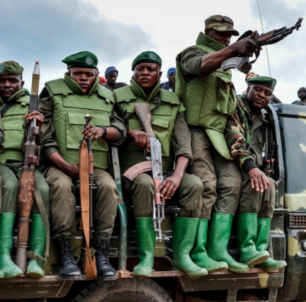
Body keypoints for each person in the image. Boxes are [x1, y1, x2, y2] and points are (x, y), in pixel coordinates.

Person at [176, 15, 259, 273]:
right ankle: (196, 252)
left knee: (233, 183)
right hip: (194, 130)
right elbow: (201, 66)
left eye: (230, 35)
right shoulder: (192, 52)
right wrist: (234, 49)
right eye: (222, 33)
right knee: (207, 185)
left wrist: (249, 49)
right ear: (208, 31)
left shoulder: (225, 61)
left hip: (219, 134)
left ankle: (217, 249)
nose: (226, 38)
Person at [114, 51, 207, 278]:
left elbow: (184, 144)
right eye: (140, 69)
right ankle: (147, 256)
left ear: (160, 73)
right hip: (132, 172)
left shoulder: (174, 102)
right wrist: (130, 133)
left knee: (194, 184)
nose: (145, 73)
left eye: (151, 69)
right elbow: (110, 129)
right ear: (133, 72)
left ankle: (182, 255)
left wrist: (176, 176)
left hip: (164, 169)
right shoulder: (118, 97)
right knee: (145, 184)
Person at [39, 51, 126, 280]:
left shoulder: (108, 97)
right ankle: (65, 254)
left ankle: (101, 253)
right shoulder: (53, 92)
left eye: (89, 74)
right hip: (60, 165)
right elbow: (44, 138)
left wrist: (103, 131)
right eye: (77, 73)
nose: (83, 78)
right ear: (68, 74)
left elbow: (121, 130)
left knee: (108, 188)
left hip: (96, 167)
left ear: (97, 75)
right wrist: (65, 165)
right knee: (60, 187)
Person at [226, 76, 286, 270]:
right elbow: (234, 140)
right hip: (232, 163)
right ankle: (247, 248)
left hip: (251, 166)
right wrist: (252, 168)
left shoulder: (264, 117)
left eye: (267, 93)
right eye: (258, 90)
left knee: (269, 186)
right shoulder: (236, 106)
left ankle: (261, 251)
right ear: (248, 88)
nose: (262, 95)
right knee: (257, 184)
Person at [0, 61, 50, 279]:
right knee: (9, 186)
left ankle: (35, 259)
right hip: (2, 162)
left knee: (43, 189)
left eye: (12, 81)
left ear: (21, 82)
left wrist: (38, 126)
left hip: (25, 162)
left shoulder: (31, 105)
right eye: (2, 81)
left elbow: (42, 141)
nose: (7, 85)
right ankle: (3, 257)